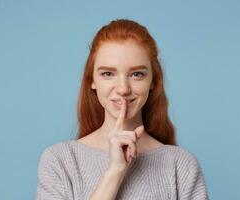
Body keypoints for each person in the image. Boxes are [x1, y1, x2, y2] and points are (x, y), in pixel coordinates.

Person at [35, 19, 209, 200]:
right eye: (108, 74)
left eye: (137, 74)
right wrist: (115, 171)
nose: (123, 88)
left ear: (153, 82)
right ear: (92, 81)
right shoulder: (60, 161)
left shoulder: (181, 166)